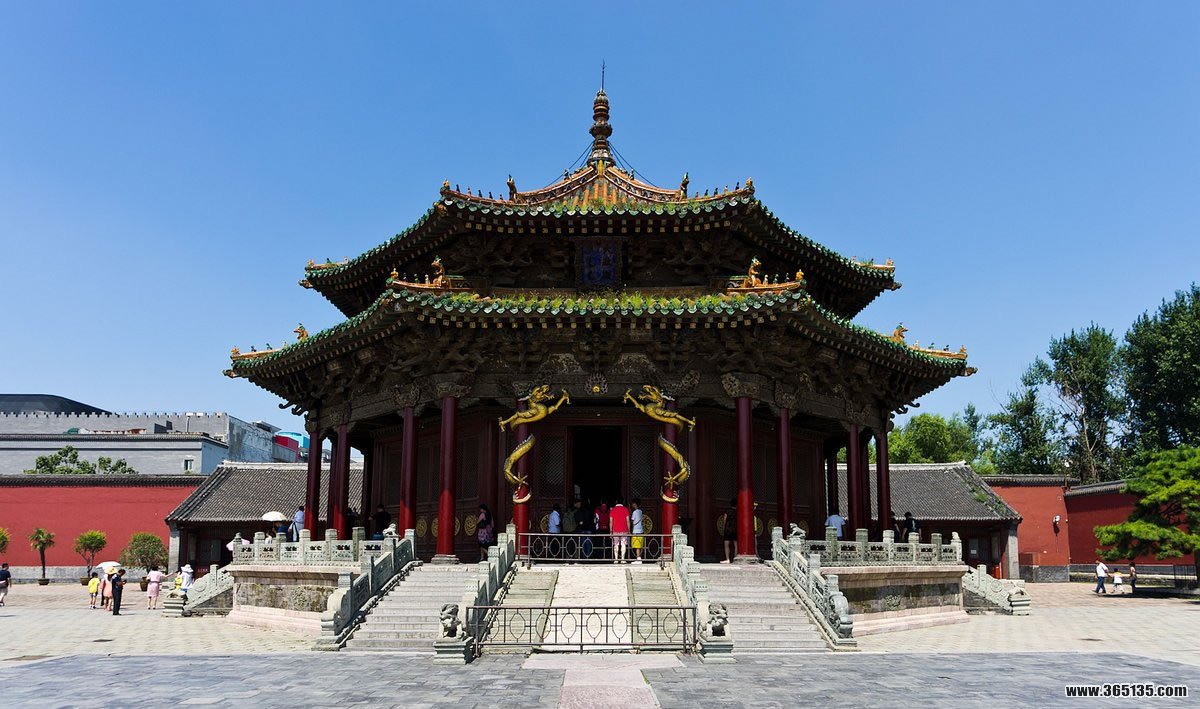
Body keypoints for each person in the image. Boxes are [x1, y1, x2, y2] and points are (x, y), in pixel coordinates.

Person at [609, 498, 631, 564]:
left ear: (616, 502)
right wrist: (629, 530)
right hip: (624, 530)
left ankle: (616, 559)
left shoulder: (613, 510)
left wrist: (611, 531)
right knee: (623, 544)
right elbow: (628, 521)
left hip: (615, 530)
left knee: (616, 544)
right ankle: (622, 559)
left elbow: (611, 521)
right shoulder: (625, 509)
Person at [722, 498, 738, 564]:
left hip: (728, 529)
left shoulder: (727, 511)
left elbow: (724, 520)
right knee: (736, 545)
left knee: (726, 544)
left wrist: (724, 528)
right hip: (735, 529)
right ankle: (735, 558)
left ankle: (727, 559)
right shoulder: (738, 512)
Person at [630, 498, 645, 564]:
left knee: (637, 546)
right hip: (641, 530)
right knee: (639, 545)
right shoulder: (640, 511)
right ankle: (639, 558)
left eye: (632, 503)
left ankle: (638, 559)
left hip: (636, 530)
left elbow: (632, 521)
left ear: (635, 504)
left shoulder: (635, 512)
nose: (632, 505)